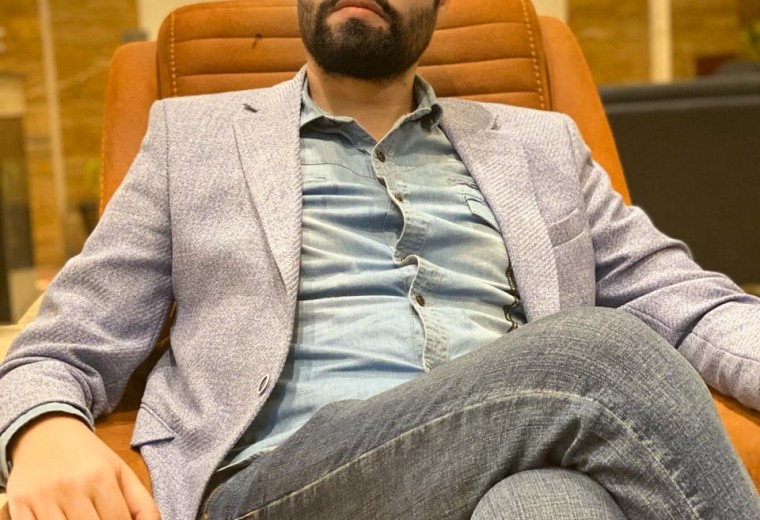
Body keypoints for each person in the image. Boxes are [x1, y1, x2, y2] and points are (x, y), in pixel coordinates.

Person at [1, 0, 759, 518]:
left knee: (554, 504)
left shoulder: (540, 145)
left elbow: (688, 301)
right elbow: (61, 344)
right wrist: (41, 429)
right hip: (289, 478)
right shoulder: (191, 140)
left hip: (518, 453)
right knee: (596, 355)